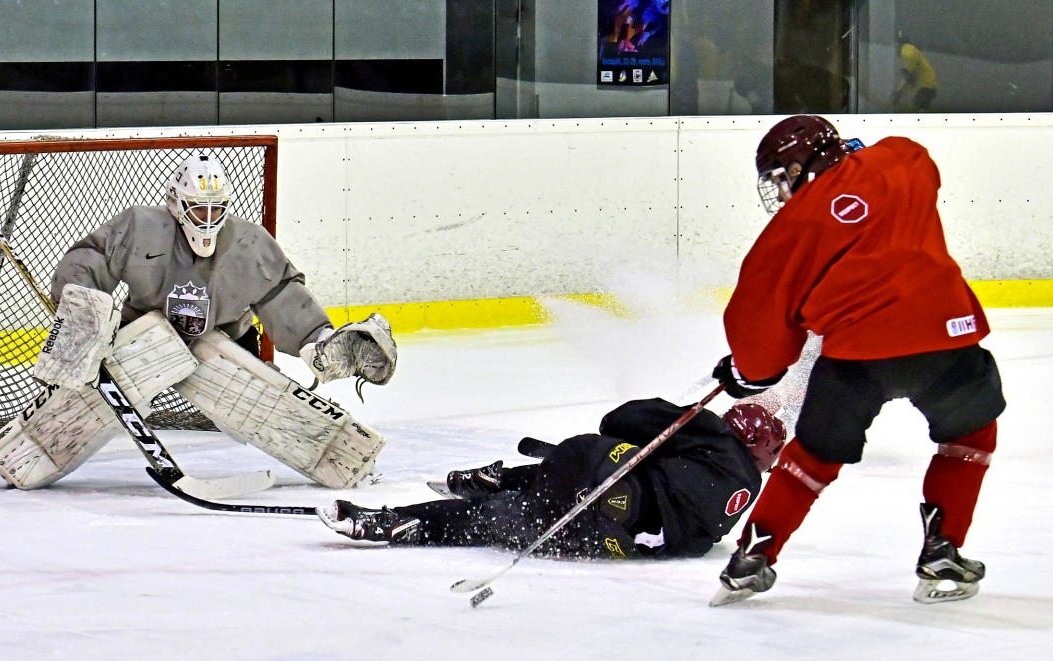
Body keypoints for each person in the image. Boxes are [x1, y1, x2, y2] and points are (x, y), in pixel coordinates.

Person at [710, 115, 1004, 606]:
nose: (780, 193)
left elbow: (762, 321)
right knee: (969, 435)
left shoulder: (793, 227)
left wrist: (747, 371)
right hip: (944, 338)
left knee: (813, 456)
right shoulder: (901, 161)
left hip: (858, 355)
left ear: (802, 167)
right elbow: (917, 160)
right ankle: (943, 549)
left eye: (782, 178)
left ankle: (753, 556)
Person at [0, 155, 397, 492]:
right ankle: (25, 452)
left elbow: (282, 295)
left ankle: (343, 457)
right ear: (175, 203)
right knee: (113, 385)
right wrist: (81, 304)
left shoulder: (248, 242)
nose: (208, 218)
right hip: (143, 336)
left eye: (217, 208)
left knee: (250, 416)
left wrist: (317, 340)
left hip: (223, 343)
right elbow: (90, 258)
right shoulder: (140, 227)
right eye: (199, 208)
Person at [319, 398, 785, 562]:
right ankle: (390, 526)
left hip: (596, 468)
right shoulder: (742, 502)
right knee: (491, 522)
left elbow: (619, 419)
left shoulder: (716, 433)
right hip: (608, 535)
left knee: (569, 469)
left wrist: (667, 434)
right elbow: (688, 546)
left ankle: (499, 478)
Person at [894, 35, 938, 112]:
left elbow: (909, 79)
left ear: (899, 44)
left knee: (912, 111)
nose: (895, 48)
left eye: (896, 45)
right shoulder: (912, 54)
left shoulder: (907, 49)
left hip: (926, 88)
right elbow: (911, 81)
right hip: (929, 88)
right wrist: (900, 92)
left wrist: (899, 92)